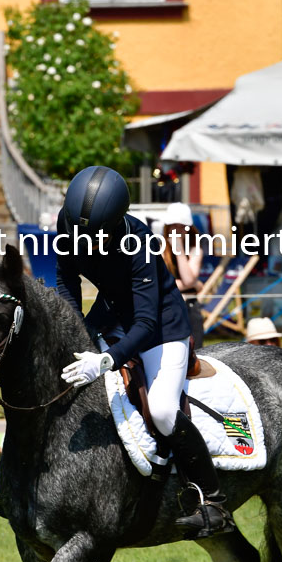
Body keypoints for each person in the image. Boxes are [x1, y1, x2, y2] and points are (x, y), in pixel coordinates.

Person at [56, 165, 235, 539]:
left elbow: (146, 323)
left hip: (160, 326)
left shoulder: (139, 242)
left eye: (94, 237)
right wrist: (73, 331)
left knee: (164, 410)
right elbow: (66, 279)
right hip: (111, 314)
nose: (83, 242)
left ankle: (214, 503)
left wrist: (106, 359)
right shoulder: (68, 222)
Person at [162, 201, 205, 348]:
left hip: (190, 307)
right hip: (167, 308)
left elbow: (187, 280)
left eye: (182, 226)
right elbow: (158, 285)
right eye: (173, 225)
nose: (177, 230)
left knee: (197, 353)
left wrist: (179, 251)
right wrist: (196, 284)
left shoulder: (195, 249)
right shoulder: (159, 248)